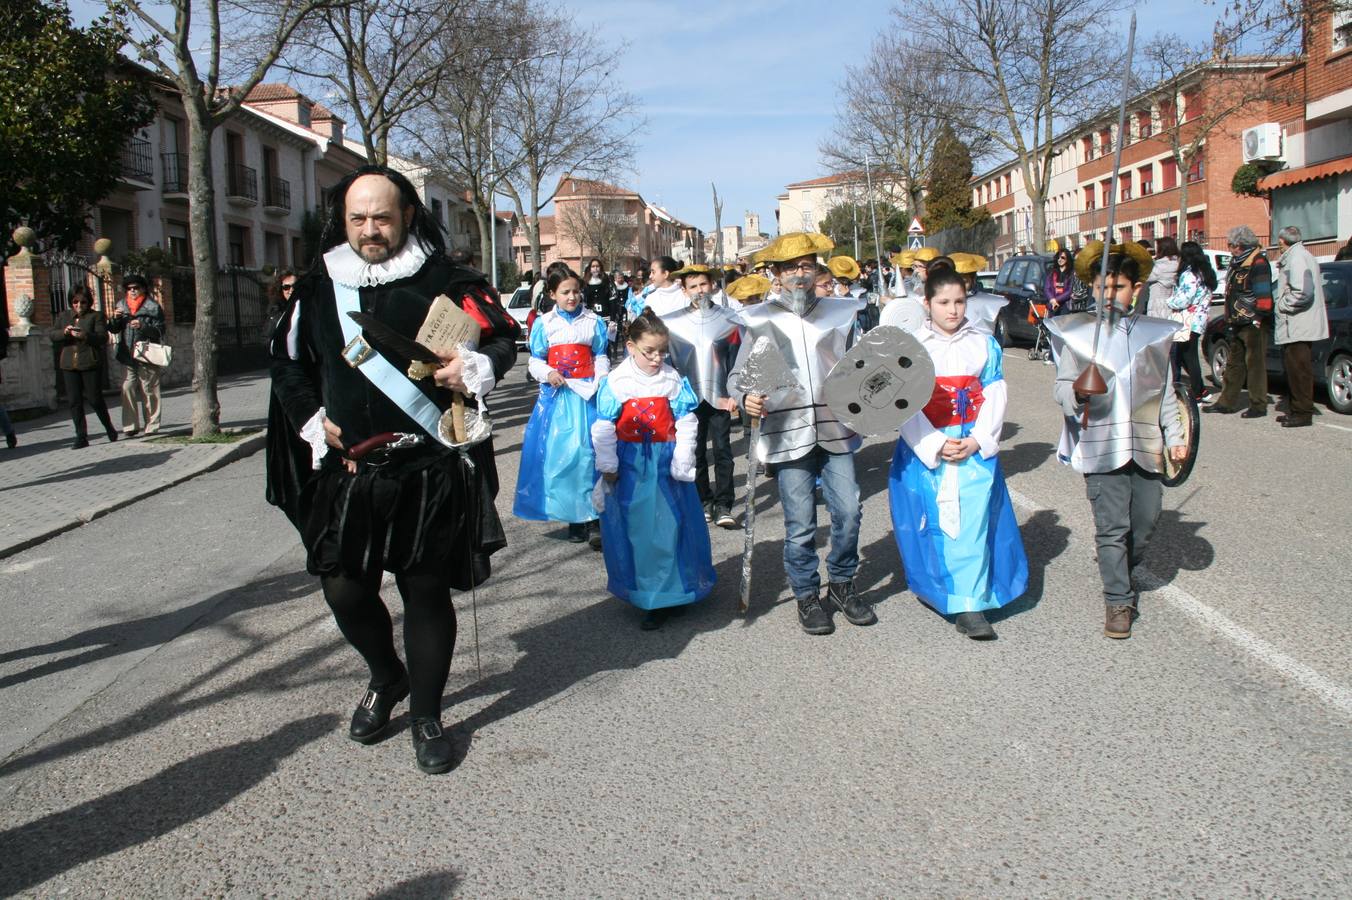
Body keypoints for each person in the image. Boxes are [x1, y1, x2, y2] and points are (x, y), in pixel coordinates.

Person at [267, 164, 519, 775]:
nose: (371, 229)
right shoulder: (320, 285)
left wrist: (476, 368)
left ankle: (428, 715)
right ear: (343, 220)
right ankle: (388, 676)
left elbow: (503, 340)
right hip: (350, 470)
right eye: (359, 218)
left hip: (428, 466)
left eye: (382, 216)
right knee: (344, 588)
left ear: (407, 215)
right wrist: (310, 417)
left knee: (425, 592)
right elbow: (287, 365)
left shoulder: (445, 277)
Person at [727, 232, 875, 635]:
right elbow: (740, 377)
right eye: (790, 267)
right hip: (787, 432)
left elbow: (862, 365)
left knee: (848, 510)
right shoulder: (759, 318)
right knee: (802, 524)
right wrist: (746, 398)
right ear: (775, 273)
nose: (799, 274)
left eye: (806, 265)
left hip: (836, 429)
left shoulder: (841, 312)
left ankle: (842, 584)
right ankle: (807, 594)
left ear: (816, 270)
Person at [1046, 242, 1187, 639]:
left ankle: (1121, 568)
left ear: (1136, 289)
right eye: (1102, 287)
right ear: (1092, 289)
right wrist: (1077, 392)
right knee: (1112, 528)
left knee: (1144, 523)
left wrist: (1175, 437)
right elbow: (1060, 388)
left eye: (1119, 287)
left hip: (1145, 446)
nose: (1110, 296)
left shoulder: (1153, 337)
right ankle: (1118, 600)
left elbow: (1165, 392)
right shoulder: (1078, 334)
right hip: (1100, 444)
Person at [889, 268, 1028, 640]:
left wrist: (980, 438)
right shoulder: (912, 348)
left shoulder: (983, 344)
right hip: (928, 445)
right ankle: (940, 589)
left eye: (959, 301)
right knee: (934, 522)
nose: (952, 310)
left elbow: (995, 391)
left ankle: (969, 603)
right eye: (943, 302)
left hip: (971, 444)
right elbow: (902, 404)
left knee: (973, 520)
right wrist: (933, 443)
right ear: (927, 304)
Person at [591, 307, 716, 630]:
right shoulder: (618, 381)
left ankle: (677, 589)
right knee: (642, 531)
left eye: (662, 351)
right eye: (649, 352)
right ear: (631, 347)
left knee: (673, 526)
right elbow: (604, 425)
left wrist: (682, 458)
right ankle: (652, 595)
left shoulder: (672, 379)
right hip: (633, 466)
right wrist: (608, 465)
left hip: (666, 463)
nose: (657, 358)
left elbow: (686, 419)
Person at [514, 268, 608, 547]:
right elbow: (535, 360)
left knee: (589, 452)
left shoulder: (592, 321)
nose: (572, 297)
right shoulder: (545, 323)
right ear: (552, 294)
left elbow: (600, 354)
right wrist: (548, 373)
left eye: (576, 291)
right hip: (558, 397)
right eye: (565, 292)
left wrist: (601, 379)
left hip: (586, 395)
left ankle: (594, 517)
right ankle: (573, 517)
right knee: (563, 456)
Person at [663, 265, 742, 528]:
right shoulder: (672, 322)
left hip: (720, 395)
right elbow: (667, 361)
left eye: (703, 285)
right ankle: (702, 500)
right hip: (687, 398)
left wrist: (735, 393)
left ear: (712, 286)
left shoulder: (729, 318)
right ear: (684, 291)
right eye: (693, 286)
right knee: (694, 451)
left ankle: (723, 504)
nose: (699, 291)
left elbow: (738, 358)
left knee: (723, 451)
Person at [1206, 225, 1272, 418]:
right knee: (1234, 364)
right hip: (1237, 320)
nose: (1229, 248)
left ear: (1240, 245)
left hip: (1253, 322)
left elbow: (1264, 294)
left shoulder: (1258, 262)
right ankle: (1226, 402)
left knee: (1255, 365)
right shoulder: (1237, 263)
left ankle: (1258, 405)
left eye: (1231, 244)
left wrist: (1259, 316)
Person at [1272, 225, 1329, 428]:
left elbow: (1303, 292)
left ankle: (1302, 412)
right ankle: (1298, 409)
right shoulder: (1299, 257)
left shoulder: (1297, 258)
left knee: (1299, 370)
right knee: (1295, 370)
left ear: (1283, 241)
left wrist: (1281, 304)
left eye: (1279, 242)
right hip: (1296, 325)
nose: (1278, 246)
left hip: (1297, 325)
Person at [54, 286, 118, 449]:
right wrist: (65, 332)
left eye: (83, 301)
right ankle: (81, 436)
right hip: (69, 364)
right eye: (75, 301)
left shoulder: (95, 316)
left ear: (88, 302)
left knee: (94, 399)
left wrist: (85, 335)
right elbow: (52, 334)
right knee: (74, 401)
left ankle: (109, 427)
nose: (79, 305)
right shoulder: (64, 316)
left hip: (89, 362)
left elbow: (102, 337)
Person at [107, 274, 166, 436]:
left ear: (143, 289)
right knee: (127, 387)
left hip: (147, 353)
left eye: (136, 288)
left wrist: (142, 326)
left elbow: (160, 331)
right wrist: (114, 319)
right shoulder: (121, 305)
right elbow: (113, 329)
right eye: (129, 288)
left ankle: (152, 425)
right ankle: (130, 425)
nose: (132, 291)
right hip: (127, 354)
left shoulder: (153, 307)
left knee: (149, 390)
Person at [1168, 242, 1216, 398]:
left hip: (1188, 319)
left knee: (1188, 357)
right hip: (1198, 318)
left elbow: (1185, 298)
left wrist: (1169, 302)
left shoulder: (1190, 274)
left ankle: (1197, 392)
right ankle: (1200, 390)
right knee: (1185, 356)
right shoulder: (1205, 272)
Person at [1143, 236, 1180, 318]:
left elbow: (1144, 276)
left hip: (1157, 303)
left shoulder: (1160, 266)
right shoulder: (1177, 263)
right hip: (1169, 301)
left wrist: (1146, 259)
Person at [1042, 248, 1077, 315]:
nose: (1060, 259)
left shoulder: (1071, 273)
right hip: (1053, 305)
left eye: (1062, 257)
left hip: (1065, 306)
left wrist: (1057, 299)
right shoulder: (1052, 272)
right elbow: (1047, 288)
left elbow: (1070, 291)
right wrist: (1052, 299)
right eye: (1058, 257)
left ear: (1067, 259)